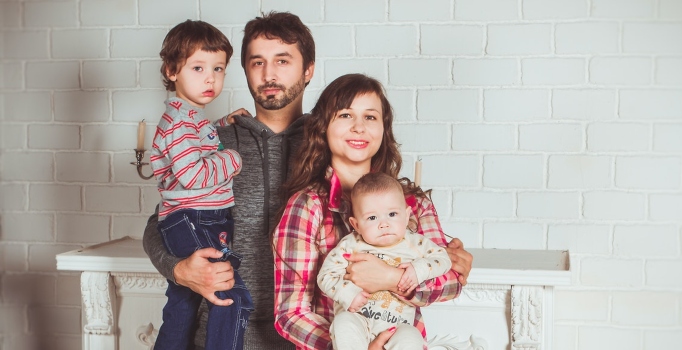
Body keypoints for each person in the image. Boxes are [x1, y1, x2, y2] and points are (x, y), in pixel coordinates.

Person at [144, 12, 316, 349]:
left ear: (307, 69)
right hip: (220, 337)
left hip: (307, 339)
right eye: (257, 62)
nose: (269, 74)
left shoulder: (330, 143)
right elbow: (158, 224)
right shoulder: (213, 139)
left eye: (282, 60)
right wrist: (179, 270)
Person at [273, 73, 472, 350]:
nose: (358, 127)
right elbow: (291, 313)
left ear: (383, 129)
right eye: (345, 115)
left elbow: (451, 282)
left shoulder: (412, 203)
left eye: (370, 117)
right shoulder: (307, 206)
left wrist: (392, 278)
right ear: (323, 128)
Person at [149, 20, 251, 350]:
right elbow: (192, 175)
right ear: (172, 70)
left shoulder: (190, 118)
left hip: (193, 216)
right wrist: (233, 158)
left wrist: (223, 124)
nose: (210, 78)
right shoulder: (180, 123)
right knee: (231, 296)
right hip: (194, 216)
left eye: (218, 68)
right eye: (198, 67)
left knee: (182, 305)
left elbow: (200, 143)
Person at [317, 172, 452, 349]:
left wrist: (417, 270)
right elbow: (325, 275)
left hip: (397, 326)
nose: (384, 224)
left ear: (406, 216)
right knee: (343, 323)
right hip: (358, 318)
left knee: (412, 337)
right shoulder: (350, 245)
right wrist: (348, 294)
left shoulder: (415, 242)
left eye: (392, 214)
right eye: (372, 218)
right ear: (356, 224)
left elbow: (443, 259)